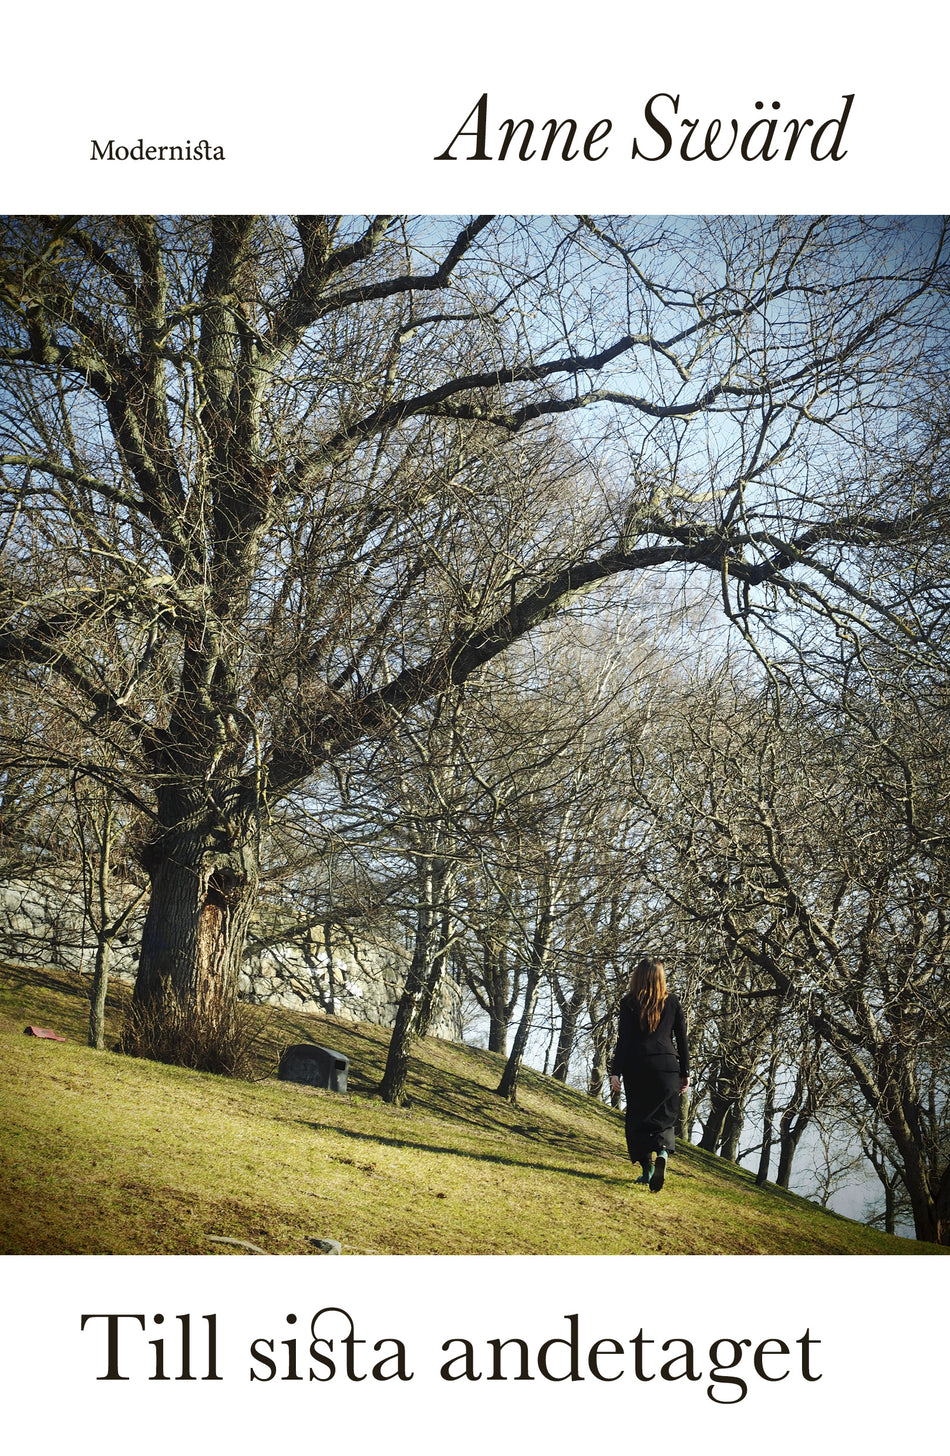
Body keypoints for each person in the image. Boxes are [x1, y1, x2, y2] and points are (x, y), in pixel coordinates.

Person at [608, 956, 689, 1193]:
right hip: (667, 1067)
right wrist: (685, 1072)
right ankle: (663, 1151)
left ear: (638, 977)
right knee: (664, 1117)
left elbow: (623, 1040)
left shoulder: (629, 1003)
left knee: (638, 1119)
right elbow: (682, 1040)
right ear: (661, 978)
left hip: (638, 1067)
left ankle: (648, 1171)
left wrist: (616, 1072)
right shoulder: (673, 1002)